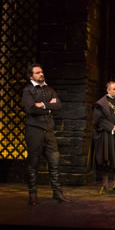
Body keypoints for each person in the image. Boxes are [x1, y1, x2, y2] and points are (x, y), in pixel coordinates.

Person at [22, 63, 70, 205]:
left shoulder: (50, 89)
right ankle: (33, 195)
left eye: (41, 72)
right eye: (37, 73)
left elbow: (58, 105)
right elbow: (31, 109)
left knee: (54, 163)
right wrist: (49, 106)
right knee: (33, 164)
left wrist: (43, 105)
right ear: (31, 76)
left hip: (49, 131)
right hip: (34, 131)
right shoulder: (28, 91)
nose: (41, 74)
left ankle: (57, 193)